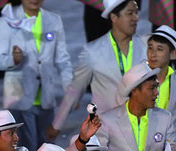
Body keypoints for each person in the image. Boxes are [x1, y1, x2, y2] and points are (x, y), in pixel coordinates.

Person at [48, 0, 145, 139]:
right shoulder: (93, 52)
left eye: (136, 13)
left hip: (140, 130)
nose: (135, 18)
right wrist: (57, 124)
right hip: (105, 132)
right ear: (114, 17)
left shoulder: (145, 48)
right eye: (130, 13)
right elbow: (75, 90)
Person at [0, 0, 72, 151]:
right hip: (18, 100)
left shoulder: (54, 20)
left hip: (46, 101)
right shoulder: (7, 21)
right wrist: (12, 60)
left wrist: (70, 89)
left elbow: (63, 60)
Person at [95, 63, 176, 151]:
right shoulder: (108, 120)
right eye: (151, 88)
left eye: (156, 87)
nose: (157, 92)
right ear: (134, 91)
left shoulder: (165, 118)